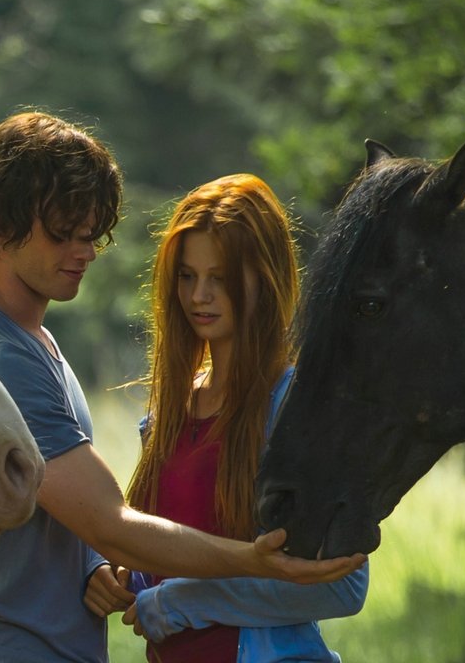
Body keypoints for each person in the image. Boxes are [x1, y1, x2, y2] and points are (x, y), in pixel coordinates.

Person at [0, 114, 365, 663]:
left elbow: (339, 580)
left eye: (91, 233)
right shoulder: (5, 360)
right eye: (64, 232)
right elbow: (115, 528)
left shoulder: (40, 348)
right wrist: (221, 569)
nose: (85, 250)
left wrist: (118, 579)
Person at [98, 173, 368, 662]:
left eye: (219, 277)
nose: (199, 295)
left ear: (264, 277)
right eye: (187, 275)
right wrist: (124, 576)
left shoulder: (294, 406)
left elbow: (344, 585)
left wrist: (187, 601)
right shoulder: (169, 413)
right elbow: (175, 552)